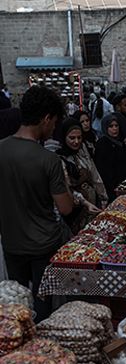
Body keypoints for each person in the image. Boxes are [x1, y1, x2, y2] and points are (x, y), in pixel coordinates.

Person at [0, 86, 75, 321]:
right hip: (44, 244)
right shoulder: (48, 160)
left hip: (11, 243)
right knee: (43, 305)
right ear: (46, 119)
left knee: (16, 307)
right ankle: (42, 349)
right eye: (54, 123)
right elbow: (65, 208)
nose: (54, 130)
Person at [56, 118, 107, 232]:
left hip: (92, 205)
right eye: (72, 138)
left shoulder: (82, 150)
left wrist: (103, 198)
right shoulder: (59, 159)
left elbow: (94, 174)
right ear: (64, 137)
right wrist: (84, 202)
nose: (76, 141)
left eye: (79, 137)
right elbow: (66, 187)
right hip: (76, 212)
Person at [94, 114, 126, 201]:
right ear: (105, 127)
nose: (114, 129)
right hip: (112, 188)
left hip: (125, 185)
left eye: (116, 126)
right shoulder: (102, 144)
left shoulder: (122, 141)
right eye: (111, 126)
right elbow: (103, 170)